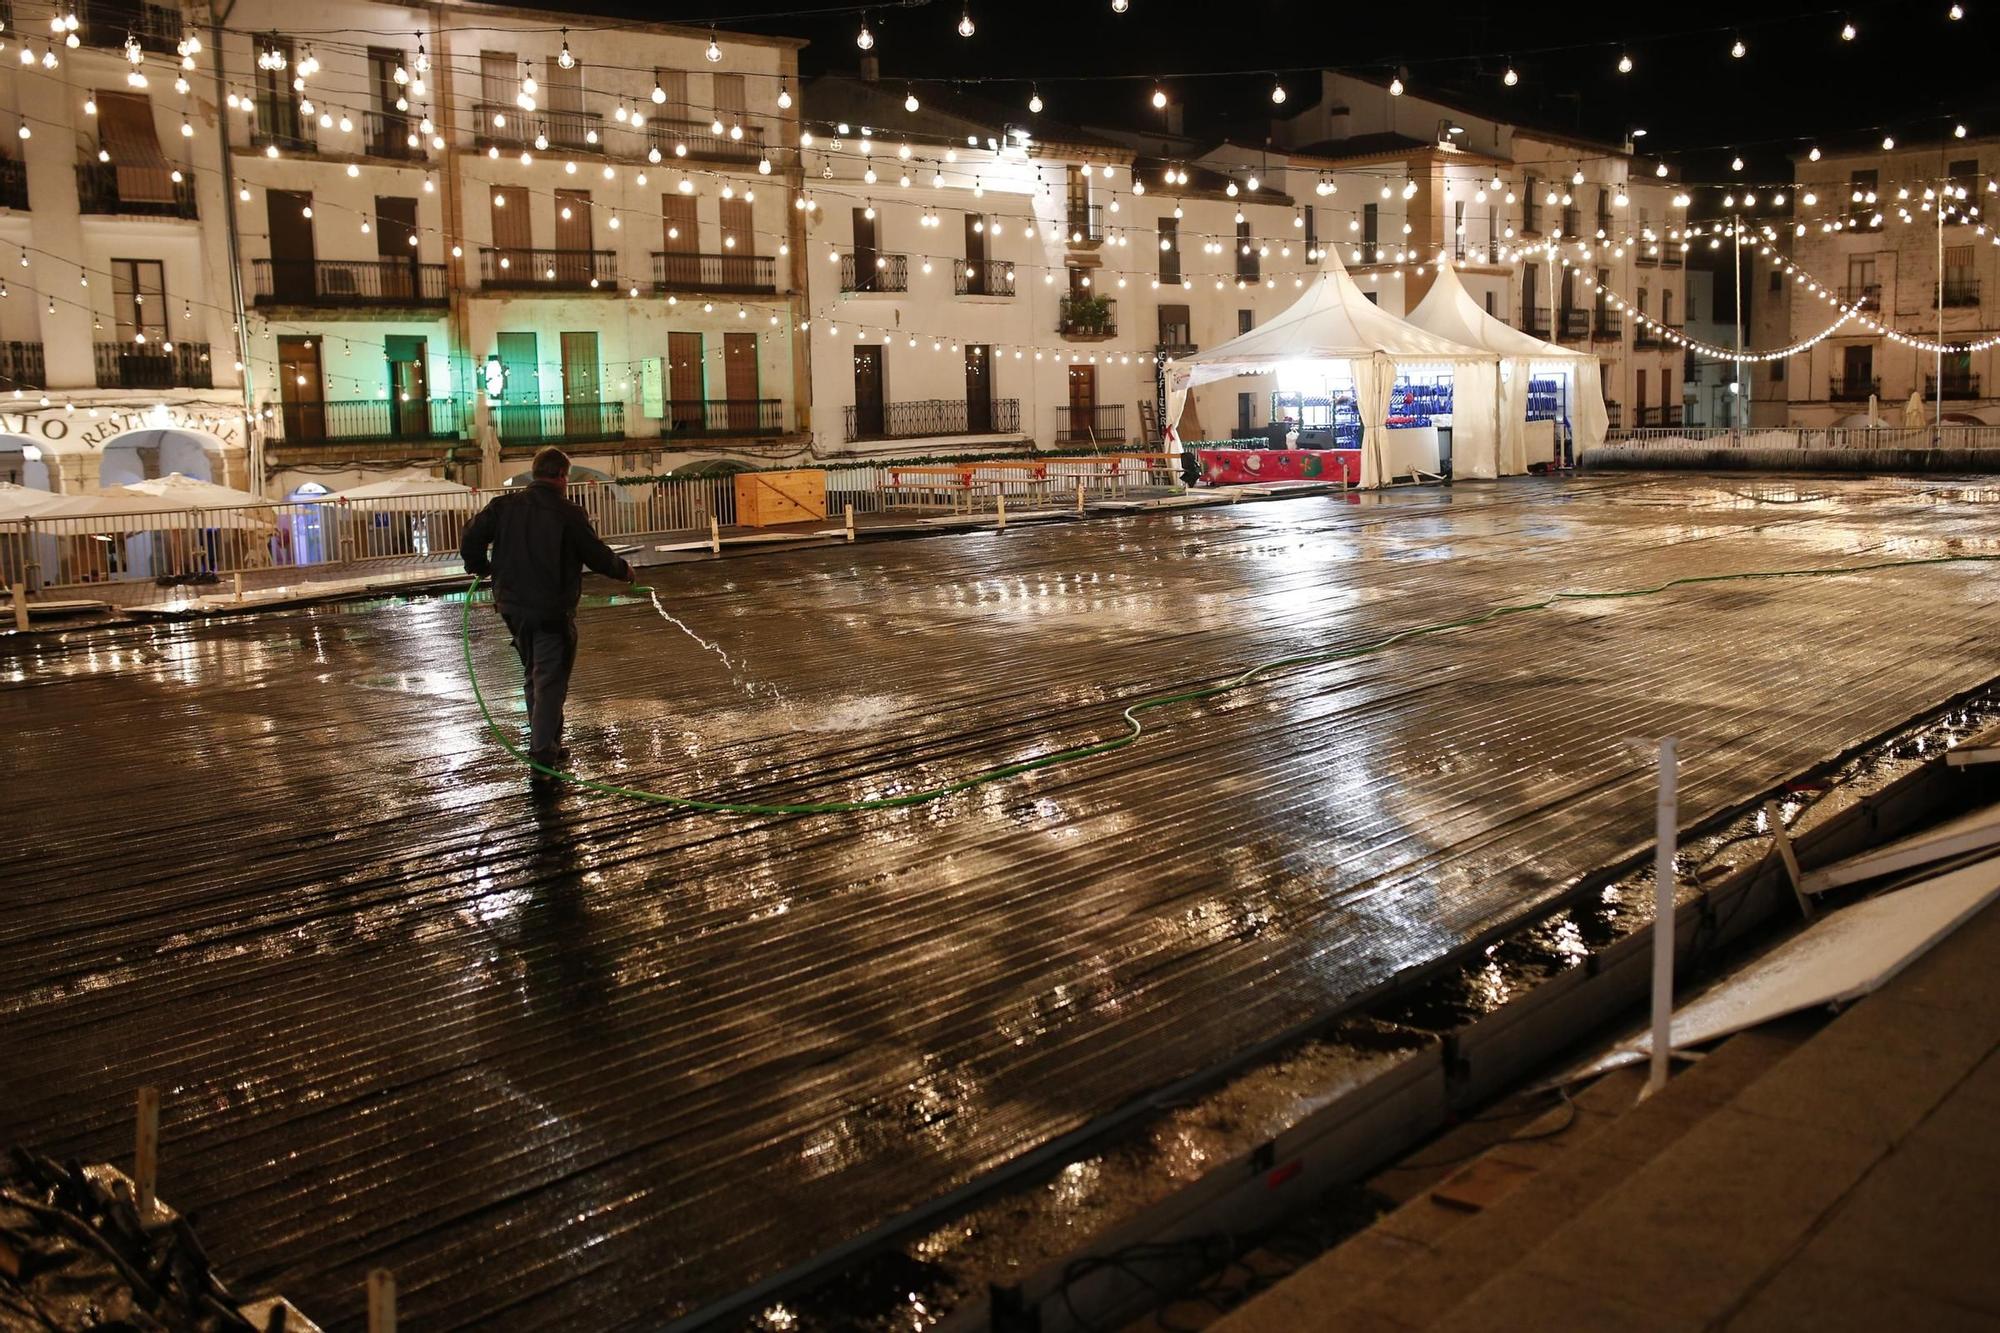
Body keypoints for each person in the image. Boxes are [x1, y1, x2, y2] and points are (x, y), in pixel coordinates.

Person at [461, 447, 634, 774]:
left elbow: (471, 534)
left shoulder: (504, 506)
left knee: (534, 672)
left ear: (535, 473)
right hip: (551, 609)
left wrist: (479, 566)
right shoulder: (568, 513)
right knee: (550, 678)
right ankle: (543, 752)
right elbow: (596, 555)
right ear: (561, 476)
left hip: (512, 607)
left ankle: (547, 743)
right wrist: (623, 570)